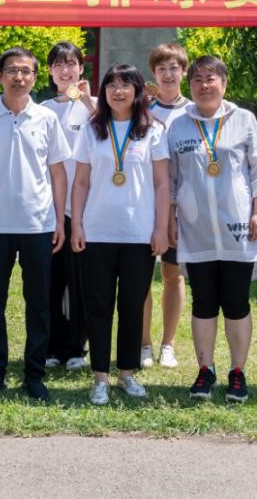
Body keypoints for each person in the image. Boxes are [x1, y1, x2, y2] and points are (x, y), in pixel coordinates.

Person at [166, 55, 257, 403]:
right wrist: (170, 220)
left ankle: (237, 371)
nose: (204, 85)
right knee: (204, 302)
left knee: (236, 301)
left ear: (224, 83)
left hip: (238, 229)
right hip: (196, 230)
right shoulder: (179, 125)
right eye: (197, 80)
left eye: (211, 79)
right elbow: (171, 179)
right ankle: (205, 369)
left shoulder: (243, 120)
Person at [0, 47, 70, 401]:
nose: (19, 77)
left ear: (35, 77)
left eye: (26, 71)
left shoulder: (46, 118)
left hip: (38, 224)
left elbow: (58, 172)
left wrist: (60, 220)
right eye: (11, 70)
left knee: (38, 303)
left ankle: (34, 374)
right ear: (0, 76)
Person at [70, 64, 171, 405]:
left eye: (126, 84)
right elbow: (80, 182)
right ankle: (100, 376)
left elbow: (162, 184)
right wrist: (77, 225)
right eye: (111, 84)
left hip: (138, 234)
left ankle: (126, 372)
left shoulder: (152, 130)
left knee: (131, 307)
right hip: (97, 232)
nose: (118, 91)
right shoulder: (92, 130)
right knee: (98, 306)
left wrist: (160, 228)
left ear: (138, 91)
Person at [39, 41, 93, 373]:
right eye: (58, 64)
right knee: (50, 281)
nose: (65, 70)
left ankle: (76, 346)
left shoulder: (94, 105)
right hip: (47, 208)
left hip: (82, 209)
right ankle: (52, 345)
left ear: (81, 69)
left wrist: (85, 100)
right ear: (50, 71)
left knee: (80, 282)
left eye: (71, 63)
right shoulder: (43, 109)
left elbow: (110, 127)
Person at [140, 42, 191, 369]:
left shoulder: (194, 110)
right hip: (145, 203)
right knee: (141, 276)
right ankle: (143, 344)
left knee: (173, 274)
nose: (168, 74)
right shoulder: (143, 110)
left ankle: (167, 345)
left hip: (181, 206)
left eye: (174, 68)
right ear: (153, 74)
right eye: (162, 69)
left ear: (184, 71)